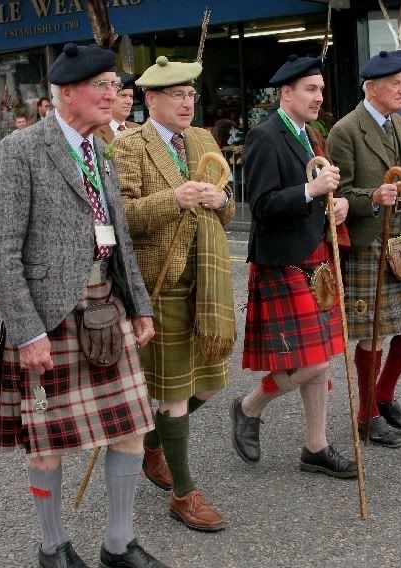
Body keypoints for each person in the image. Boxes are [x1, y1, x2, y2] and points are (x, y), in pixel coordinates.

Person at [0, 42, 169, 568]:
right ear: (67, 93)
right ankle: (53, 548)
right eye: (102, 85)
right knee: (47, 443)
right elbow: (0, 251)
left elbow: (119, 238)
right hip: (48, 317)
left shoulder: (101, 150)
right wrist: (28, 333)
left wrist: (139, 306)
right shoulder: (22, 150)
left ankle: (119, 543)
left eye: (115, 85)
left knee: (131, 427)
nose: (114, 94)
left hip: (106, 307)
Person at [114, 56, 236, 532]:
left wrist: (220, 199)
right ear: (151, 100)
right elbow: (121, 216)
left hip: (207, 282)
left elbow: (227, 207)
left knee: (210, 383)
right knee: (174, 393)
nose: (187, 103)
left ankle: (152, 443)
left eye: (191, 94)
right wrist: (174, 199)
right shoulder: (130, 145)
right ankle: (184, 494)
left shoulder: (203, 139)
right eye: (177, 95)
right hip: (160, 284)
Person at [230, 54, 357, 479]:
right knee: (314, 361)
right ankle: (250, 406)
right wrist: (310, 189)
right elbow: (261, 205)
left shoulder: (311, 135)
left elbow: (322, 191)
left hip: (315, 255)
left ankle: (315, 447)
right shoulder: (264, 136)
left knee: (322, 356)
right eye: (310, 89)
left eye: (321, 89)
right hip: (282, 259)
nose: (319, 96)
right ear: (287, 93)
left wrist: (337, 203)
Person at [327, 50, 401, 448]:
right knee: (373, 335)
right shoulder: (345, 130)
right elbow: (338, 193)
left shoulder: (396, 122)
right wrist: (372, 197)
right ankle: (367, 414)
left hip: (397, 240)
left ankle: (384, 396)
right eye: (394, 83)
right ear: (371, 88)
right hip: (367, 242)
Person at [96, 72, 139, 143]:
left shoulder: (139, 130)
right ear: (110, 98)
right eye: (123, 95)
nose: (129, 102)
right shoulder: (95, 132)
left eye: (131, 97)